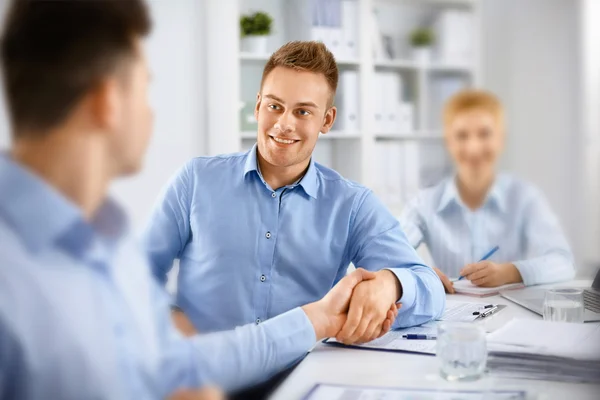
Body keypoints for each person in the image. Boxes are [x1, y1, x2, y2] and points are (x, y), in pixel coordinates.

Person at [0, 1, 398, 399]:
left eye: (303, 111)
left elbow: (173, 365)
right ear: (107, 101)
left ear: (325, 120)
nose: (152, 112)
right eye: (145, 88)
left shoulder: (105, 239)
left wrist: (369, 295)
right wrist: (316, 319)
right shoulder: (20, 272)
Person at [144, 41, 445, 346]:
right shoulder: (196, 180)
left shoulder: (352, 205)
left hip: (299, 378)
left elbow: (430, 288)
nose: (284, 124)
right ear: (258, 105)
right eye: (275, 106)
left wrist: (391, 284)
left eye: (303, 111)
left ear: (326, 120)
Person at [400, 89, 575, 293]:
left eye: (484, 134)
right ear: (449, 141)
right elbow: (386, 253)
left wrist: (510, 272)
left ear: (501, 139)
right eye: (462, 136)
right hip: (447, 315)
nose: (473, 148)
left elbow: (563, 261)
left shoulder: (524, 197)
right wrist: (420, 273)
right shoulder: (425, 203)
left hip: (510, 313)